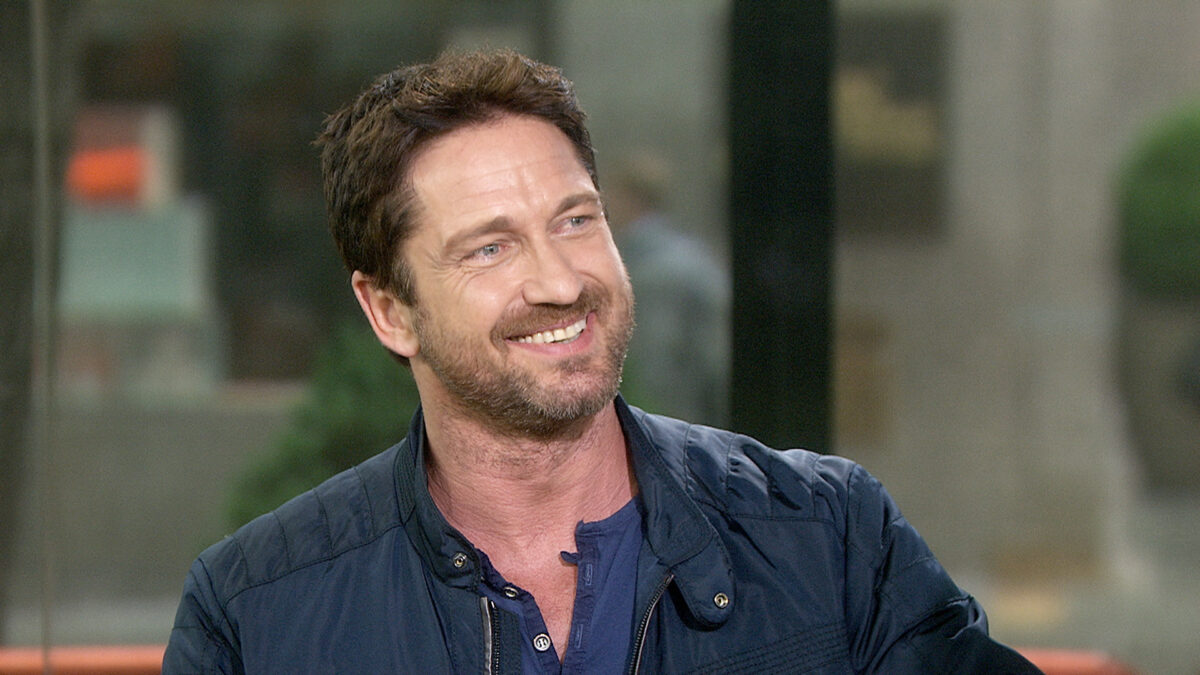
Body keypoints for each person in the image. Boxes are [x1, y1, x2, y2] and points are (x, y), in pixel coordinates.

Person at [163, 49, 1040, 673]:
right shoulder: (254, 612)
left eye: (576, 220)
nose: (559, 281)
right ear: (390, 310)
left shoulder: (830, 537)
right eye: (490, 248)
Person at [606, 152, 730, 427]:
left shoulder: (654, 269)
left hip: (673, 416)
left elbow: (657, 361)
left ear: (630, 198)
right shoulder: (689, 252)